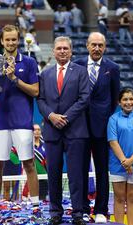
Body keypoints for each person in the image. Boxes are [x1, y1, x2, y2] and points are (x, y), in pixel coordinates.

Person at [0, 24, 42, 224]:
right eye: (7, 39)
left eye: (14, 39)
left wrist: (13, 78)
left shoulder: (28, 62)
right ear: (1, 41)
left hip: (22, 121)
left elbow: (35, 91)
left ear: (18, 40)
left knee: (29, 164)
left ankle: (36, 207)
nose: (11, 42)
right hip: (0, 121)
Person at [37, 36, 90, 225]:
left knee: (76, 174)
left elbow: (84, 98)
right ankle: (55, 212)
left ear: (71, 51)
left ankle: (78, 213)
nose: (62, 51)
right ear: (53, 51)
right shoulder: (45, 74)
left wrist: (65, 117)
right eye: (59, 48)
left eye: (65, 48)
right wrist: (51, 116)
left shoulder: (81, 72)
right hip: (52, 132)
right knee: (53, 174)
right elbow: (40, 100)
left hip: (75, 131)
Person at [74, 32, 120, 223]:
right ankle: (84, 208)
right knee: (81, 169)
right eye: (93, 44)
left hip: (102, 129)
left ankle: (101, 209)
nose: (97, 48)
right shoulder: (76, 64)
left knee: (102, 170)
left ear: (105, 47)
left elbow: (114, 98)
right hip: (80, 127)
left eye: (100, 45)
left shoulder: (113, 68)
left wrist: (104, 119)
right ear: (87, 45)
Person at [107, 88, 133, 225]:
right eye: (125, 99)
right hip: (117, 166)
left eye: (131, 99)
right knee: (119, 199)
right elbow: (113, 142)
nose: (128, 102)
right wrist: (125, 162)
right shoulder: (113, 119)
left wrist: (131, 162)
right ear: (119, 102)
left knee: (132, 199)